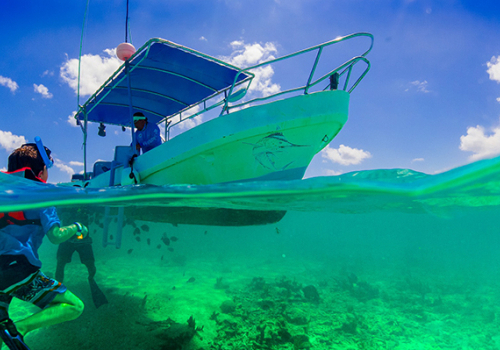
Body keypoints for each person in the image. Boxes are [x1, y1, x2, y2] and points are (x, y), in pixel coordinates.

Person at [0, 140, 87, 350]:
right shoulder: (42, 194)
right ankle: (21, 328)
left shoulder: (3, 191)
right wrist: (76, 227)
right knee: (74, 306)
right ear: (41, 171)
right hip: (17, 269)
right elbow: (56, 236)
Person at [55, 219, 108, 309]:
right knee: (61, 262)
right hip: (71, 238)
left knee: (88, 264)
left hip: (78, 238)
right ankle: (58, 290)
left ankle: (91, 281)